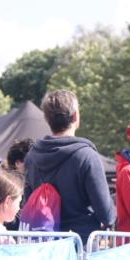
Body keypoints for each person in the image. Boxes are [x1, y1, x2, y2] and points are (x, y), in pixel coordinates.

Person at [24, 90, 116, 244]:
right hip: (79, 245)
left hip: (44, 244)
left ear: (47, 119)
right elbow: (106, 214)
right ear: (75, 116)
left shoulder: (32, 157)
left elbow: (28, 202)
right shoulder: (87, 156)